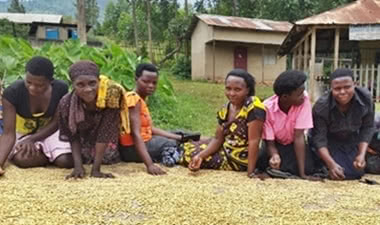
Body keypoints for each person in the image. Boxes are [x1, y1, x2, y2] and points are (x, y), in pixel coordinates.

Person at [181, 69, 265, 178]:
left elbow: (254, 141)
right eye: (228, 89)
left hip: (241, 158)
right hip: (225, 149)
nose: (232, 93)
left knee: (187, 155)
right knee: (189, 149)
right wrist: (200, 157)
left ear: (247, 90)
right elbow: (217, 139)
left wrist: (251, 173)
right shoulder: (225, 109)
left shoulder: (253, 107)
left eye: (237, 89)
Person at [0, 56, 73, 176]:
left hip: (50, 131)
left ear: (50, 81)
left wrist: (32, 139)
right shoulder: (13, 92)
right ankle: (49, 155)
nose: (32, 88)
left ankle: (47, 152)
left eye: (40, 85)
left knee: (66, 161)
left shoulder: (60, 89)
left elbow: (56, 122)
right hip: (22, 132)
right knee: (22, 159)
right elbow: (8, 133)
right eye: (28, 82)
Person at [59, 60, 128, 179]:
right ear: (73, 85)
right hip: (81, 143)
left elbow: (105, 133)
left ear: (99, 82)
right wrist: (78, 166)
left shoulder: (110, 99)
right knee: (65, 159)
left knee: (109, 157)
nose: (87, 89)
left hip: (104, 146)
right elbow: (72, 135)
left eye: (92, 83)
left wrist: (96, 170)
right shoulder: (66, 103)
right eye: (80, 85)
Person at [310, 68, 374, 180]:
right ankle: (323, 165)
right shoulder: (322, 107)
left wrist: (361, 154)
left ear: (355, 84)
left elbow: (367, 128)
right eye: (337, 89)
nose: (342, 92)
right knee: (346, 173)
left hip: (352, 138)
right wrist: (331, 164)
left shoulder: (366, 99)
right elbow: (319, 139)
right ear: (331, 89)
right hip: (330, 141)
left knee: (361, 167)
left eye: (347, 87)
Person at [119, 63, 183, 175]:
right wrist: (150, 165)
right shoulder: (133, 99)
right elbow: (136, 134)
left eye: (154, 83)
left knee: (181, 133)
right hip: (132, 149)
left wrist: (179, 136)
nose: (151, 86)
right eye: (146, 82)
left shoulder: (141, 99)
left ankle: (207, 141)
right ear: (136, 79)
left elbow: (150, 129)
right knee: (174, 143)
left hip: (145, 140)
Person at [260, 70, 315, 179]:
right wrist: (274, 155)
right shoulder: (266, 108)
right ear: (285, 97)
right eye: (299, 94)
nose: (303, 96)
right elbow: (270, 142)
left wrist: (303, 173)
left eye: (303, 92)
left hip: (293, 144)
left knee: (309, 166)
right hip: (275, 145)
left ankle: (281, 171)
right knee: (262, 160)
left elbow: (299, 136)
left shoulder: (304, 102)